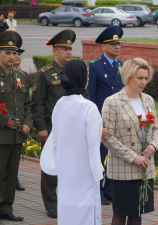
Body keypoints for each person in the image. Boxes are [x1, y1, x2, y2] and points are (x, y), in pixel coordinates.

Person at [31, 29, 89, 219]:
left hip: (74, 130)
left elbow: (85, 98)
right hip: (52, 129)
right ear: (55, 51)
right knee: (50, 167)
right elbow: (38, 102)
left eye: (70, 49)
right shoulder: (45, 73)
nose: (69, 53)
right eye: (64, 49)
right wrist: (41, 127)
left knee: (70, 166)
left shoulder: (75, 72)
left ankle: (66, 200)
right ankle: (51, 204)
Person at [40, 60, 106, 225]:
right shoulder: (88, 107)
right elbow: (93, 145)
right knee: (86, 215)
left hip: (65, 173)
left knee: (67, 215)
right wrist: (99, 172)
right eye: (87, 75)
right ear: (81, 78)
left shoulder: (59, 105)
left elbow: (55, 141)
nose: (88, 79)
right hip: (85, 174)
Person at [102, 58, 158, 225]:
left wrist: (152, 146)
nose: (144, 82)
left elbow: (155, 129)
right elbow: (107, 137)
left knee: (137, 214)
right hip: (123, 167)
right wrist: (134, 157)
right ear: (127, 77)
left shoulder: (148, 100)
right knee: (120, 214)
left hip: (145, 166)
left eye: (146, 78)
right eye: (140, 78)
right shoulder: (112, 102)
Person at [88, 25, 125, 205]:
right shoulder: (95, 66)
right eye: (113, 44)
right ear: (103, 47)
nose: (117, 47)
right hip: (102, 118)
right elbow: (92, 95)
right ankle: (99, 190)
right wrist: (96, 119)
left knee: (115, 155)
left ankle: (110, 189)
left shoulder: (123, 66)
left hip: (118, 118)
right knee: (100, 155)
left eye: (119, 44)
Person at [0, 31, 31, 222]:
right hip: (1, 134)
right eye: (7, 52)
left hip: (17, 135)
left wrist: (27, 123)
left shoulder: (21, 76)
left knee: (11, 176)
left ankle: (6, 208)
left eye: (14, 53)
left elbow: (27, 104)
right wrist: (4, 120)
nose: (12, 56)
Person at [13, 48, 28, 191]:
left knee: (15, 155)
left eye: (18, 54)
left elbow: (26, 101)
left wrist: (27, 122)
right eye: (13, 53)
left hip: (19, 125)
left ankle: (14, 177)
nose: (16, 56)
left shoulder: (22, 75)